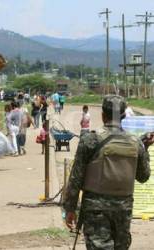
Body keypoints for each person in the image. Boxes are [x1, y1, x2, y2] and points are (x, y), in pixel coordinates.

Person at [64, 95, 153, 250]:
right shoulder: (136, 142)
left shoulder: (90, 139)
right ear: (124, 116)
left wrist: (70, 208)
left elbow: (76, 177)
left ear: (103, 115)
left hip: (95, 210)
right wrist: (145, 149)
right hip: (123, 210)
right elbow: (143, 177)